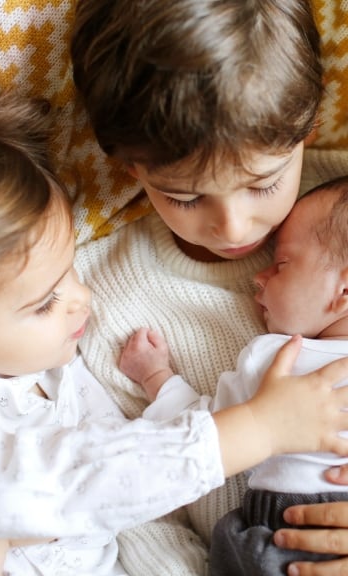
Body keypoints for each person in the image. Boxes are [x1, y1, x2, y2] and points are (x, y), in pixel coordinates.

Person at [0, 81, 348, 575]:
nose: (84, 298)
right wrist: (247, 422)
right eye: (45, 302)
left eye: (262, 183)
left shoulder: (55, 360)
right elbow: (130, 473)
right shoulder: (65, 356)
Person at [69, 0, 348, 574]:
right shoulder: (90, 297)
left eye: (263, 183)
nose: (234, 228)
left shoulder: (338, 206)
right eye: (186, 197)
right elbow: (135, 513)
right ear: (131, 168)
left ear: (306, 132)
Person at [118, 177, 348, 575]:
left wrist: (157, 377)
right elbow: (212, 440)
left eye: (281, 265)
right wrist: (156, 376)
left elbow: (202, 428)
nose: (257, 277)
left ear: (343, 292)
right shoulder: (274, 359)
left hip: (281, 530)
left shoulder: (276, 359)